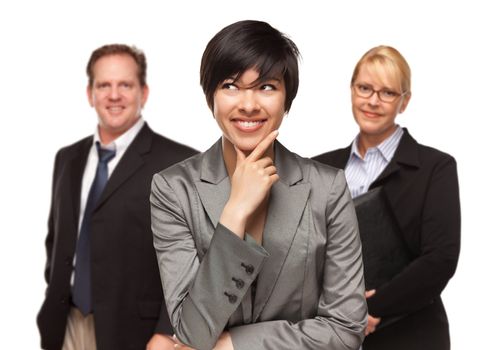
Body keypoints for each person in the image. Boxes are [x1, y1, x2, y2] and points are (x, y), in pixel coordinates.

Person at [150, 20, 367, 350]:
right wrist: (235, 210)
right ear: (211, 95)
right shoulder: (173, 190)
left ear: (286, 98)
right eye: (231, 86)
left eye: (266, 87)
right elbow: (191, 332)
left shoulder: (328, 188)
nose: (248, 104)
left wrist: (232, 344)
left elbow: (346, 330)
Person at [37, 44, 197, 350]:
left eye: (125, 85)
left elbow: (195, 258)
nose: (114, 95)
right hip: (65, 325)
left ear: (144, 93)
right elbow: (56, 239)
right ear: (90, 94)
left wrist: (167, 331)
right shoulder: (67, 158)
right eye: (104, 85)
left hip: (137, 333)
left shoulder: (180, 164)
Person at [313, 45, 460, 350]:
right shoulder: (319, 168)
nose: (372, 101)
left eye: (387, 93)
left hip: (410, 335)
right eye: (364, 88)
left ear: (404, 101)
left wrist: (374, 307)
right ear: (352, 90)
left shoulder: (435, 168)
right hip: (330, 335)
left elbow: (440, 259)